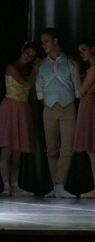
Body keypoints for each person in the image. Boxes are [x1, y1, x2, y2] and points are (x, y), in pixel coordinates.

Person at [35, 27, 81, 198]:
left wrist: (70, 103)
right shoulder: (42, 65)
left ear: (56, 41)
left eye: (46, 41)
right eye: (42, 42)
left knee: (67, 148)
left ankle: (61, 185)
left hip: (68, 107)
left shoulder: (70, 62)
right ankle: (55, 186)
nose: (44, 45)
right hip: (48, 108)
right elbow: (39, 89)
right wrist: (46, 104)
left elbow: (77, 90)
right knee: (51, 149)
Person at [0, 42, 41, 197]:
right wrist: (36, 68)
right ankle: (6, 185)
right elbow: (26, 84)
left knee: (18, 150)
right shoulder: (12, 67)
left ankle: (15, 184)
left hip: (22, 108)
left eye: (32, 55)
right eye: (28, 52)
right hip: (10, 107)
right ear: (22, 50)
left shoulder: (27, 69)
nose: (29, 56)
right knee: (7, 149)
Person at [73, 39, 95, 198]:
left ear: (93, 49)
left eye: (84, 49)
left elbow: (81, 91)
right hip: (88, 107)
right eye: (80, 51)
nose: (82, 54)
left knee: (92, 150)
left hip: (90, 108)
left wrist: (76, 71)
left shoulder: (93, 69)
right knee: (91, 150)